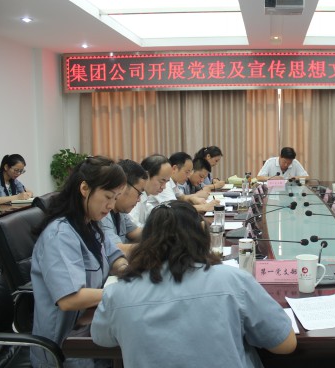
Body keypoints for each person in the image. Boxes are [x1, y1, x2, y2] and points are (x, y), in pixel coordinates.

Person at [91, 200, 297, 368]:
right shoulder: (233, 280)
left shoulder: (117, 294)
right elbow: (285, 344)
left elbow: (102, 339)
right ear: (202, 230)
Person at [31, 156, 130, 368]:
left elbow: (114, 256)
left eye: (116, 198)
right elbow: (69, 299)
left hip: (89, 326)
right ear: (84, 188)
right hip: (64, 347)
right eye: (108, 197)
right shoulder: (60, 235)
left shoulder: (90, 224)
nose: (111, 206)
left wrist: (125, 269)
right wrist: (123, 293)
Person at [100, 159, 148, 256]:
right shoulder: (103, 212)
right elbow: (116, 249)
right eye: (139, 193)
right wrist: (156, 247)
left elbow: (135, 233)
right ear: (123, 185)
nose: (139, 199)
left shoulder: (120, 211)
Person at [128, 154, 173, 228]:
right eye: (161, 181)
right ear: (147, 175)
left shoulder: (146, 199)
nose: (164, 187)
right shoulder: (134, 197)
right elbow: (133, 227)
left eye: (166, 182)